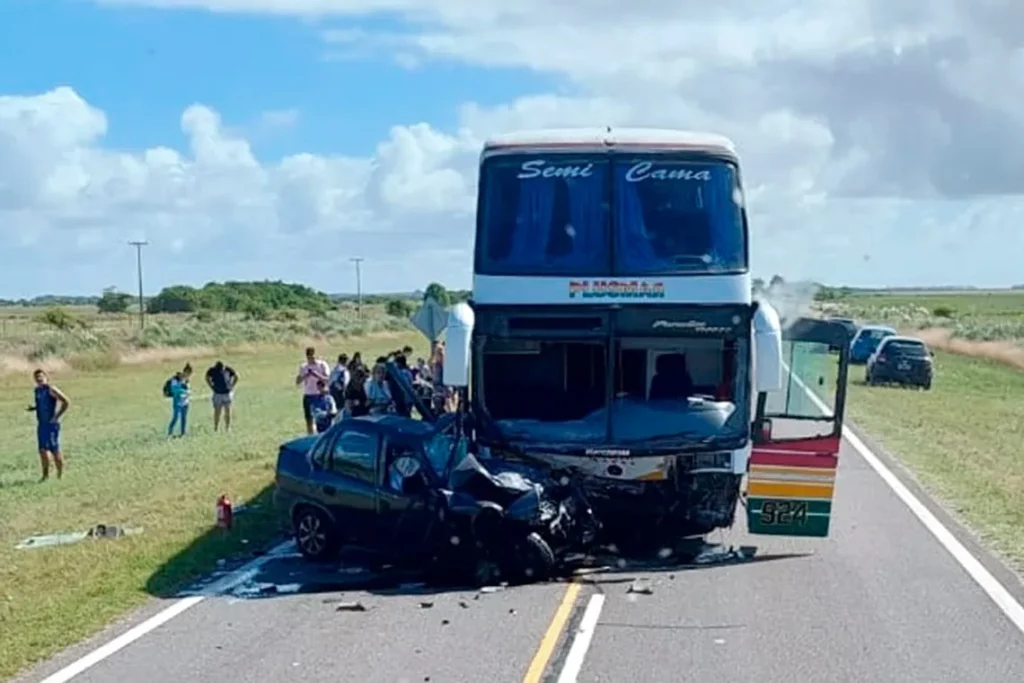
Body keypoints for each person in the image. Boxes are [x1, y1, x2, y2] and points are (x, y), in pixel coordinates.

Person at [27, 369, 70, 481]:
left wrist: (56, 417)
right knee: (42, 450)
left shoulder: (51, 389)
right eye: (36, 377)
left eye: (41, 376)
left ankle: (60, 475)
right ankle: (45, 476)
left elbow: (66, 402)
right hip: (41, 424)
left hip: (51, 425)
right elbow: (42, 404)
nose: (39, 379)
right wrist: (34, 408)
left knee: (54, 450)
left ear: (46, 377)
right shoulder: (37, 391)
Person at [296, 346, 331, 434]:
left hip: (320, 395)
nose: (311, 359)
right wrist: (306, 375)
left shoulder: (322, 365)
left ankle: (322, 435)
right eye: (309, 357)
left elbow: (327, 379)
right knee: (309, 419)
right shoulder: (304, 367)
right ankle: (310, 436)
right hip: (308, 395)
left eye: (312, 356)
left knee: (321, 419)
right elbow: (298, 382)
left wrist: (317, 375)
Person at [204, 360, 238, 432]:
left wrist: (232, 385)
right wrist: (211, 386)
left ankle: (227, 427)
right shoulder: (212, 370)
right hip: (217, 394)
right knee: (217, 412)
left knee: (227, 411)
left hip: (227, 393)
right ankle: (216, 427)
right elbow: (206, 377)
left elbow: (236, 376)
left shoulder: (228, 369)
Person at [167, 364, 193, 437]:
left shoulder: (186, 380)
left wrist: (187, 392)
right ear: (185, 371)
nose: (188, 375)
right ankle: (170, 432)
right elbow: (174, 390)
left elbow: (188, 389)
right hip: (177, 401)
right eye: (188, 373)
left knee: (184, 418)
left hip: (185, 402)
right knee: (175, 418)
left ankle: (183, 433)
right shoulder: (176, 379)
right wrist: (184, 391)